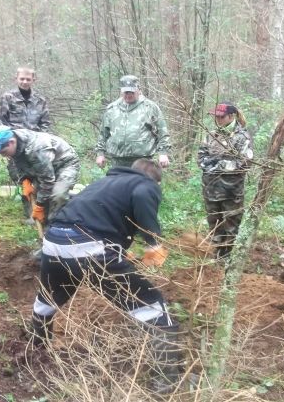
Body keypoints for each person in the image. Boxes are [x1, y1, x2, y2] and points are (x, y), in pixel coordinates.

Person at [28, 159, 181, 393]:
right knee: (153, 307)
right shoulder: (144, 184)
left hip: (55, 241)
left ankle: (35, 353)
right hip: (88, 248)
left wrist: (118, 250)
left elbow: (97, 216)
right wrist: (153, 244)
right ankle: (166, 384)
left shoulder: (105, 182)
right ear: (154, 179)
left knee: (48, 299)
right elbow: (142, 196)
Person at [0, 125, 79, 225]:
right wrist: (25, 180)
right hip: (44, 165)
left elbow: (47, 180)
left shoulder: (36, 149)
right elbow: (19, 162)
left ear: (11, 142)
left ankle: (55, 224)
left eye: (3, 152)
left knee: (57, 195)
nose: (3, 155)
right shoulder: (15, 139)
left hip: (65, 164)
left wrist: (39, 205)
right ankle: (41, 220)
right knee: (38, 193)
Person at [198, 103, 253, 260]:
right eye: (215, 116)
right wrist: (212, 165)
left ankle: (229, 259)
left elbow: (244, 163)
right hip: (210, 189)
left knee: (231, 225)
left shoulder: (242, 137)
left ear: (231, 116)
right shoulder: (211, 135)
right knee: (214, 223)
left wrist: (219, 165)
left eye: (221, 117)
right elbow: (201, 158)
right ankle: (217, 255)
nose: (217, 119)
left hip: (231, 191)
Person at [0, 66, 51, 220]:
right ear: (16, 79)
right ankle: (29, 215)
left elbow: (46, 124)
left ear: (34, 80)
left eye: (28, 79)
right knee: (23, 181)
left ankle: (41, 213)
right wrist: (6, 147)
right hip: (14, 148)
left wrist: (42, 143)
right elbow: (1, 122)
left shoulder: (40, 100)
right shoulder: (8, 97)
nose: (25, 82)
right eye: (22, 79)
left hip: (35, 148)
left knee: (40, 179)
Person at [95, 75, 171, 169]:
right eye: (126, 92)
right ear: (121, 91)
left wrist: (163, 153)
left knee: (142, 184)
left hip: (143, 161)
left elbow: (162, 132)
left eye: (131, 92)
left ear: (138, 90)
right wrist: (100, 153)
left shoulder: (150, 107)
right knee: (119, 184)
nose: (128, 95)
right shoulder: (112, 109)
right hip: (117, 161)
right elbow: (103, 133)